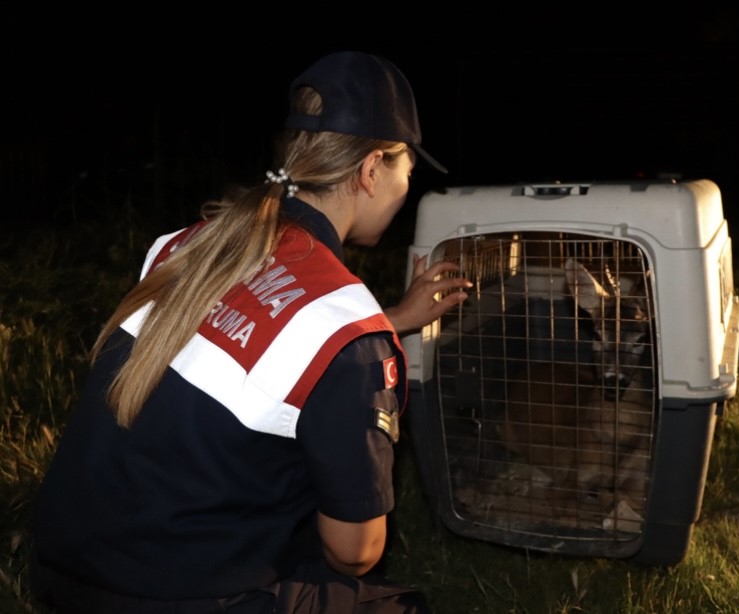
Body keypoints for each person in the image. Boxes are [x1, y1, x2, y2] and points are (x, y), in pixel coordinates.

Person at [30, 50, 471, 613]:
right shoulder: (348, 334)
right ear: (370, 170)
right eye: (407, 169)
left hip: (65, 569)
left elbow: (255, 324)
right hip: (167, 597)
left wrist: (392, 321)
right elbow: (356, 552)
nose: (406, 186)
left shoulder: (187, 244)